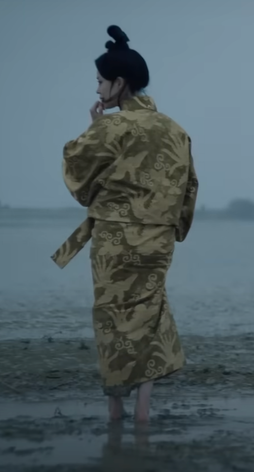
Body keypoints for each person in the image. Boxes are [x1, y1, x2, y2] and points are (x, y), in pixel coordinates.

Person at [51, 25, 199, 422]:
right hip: (158, 239)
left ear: (120, 83)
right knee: (149, 312)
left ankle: (116, 407)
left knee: (112, 315)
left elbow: (77, 170)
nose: (98, 90)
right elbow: (189, 186)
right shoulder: (175, 129)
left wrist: (94, 126)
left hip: (115, 238)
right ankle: (143, 410)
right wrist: (174, 227)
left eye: (100, 82)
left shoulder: (111, 127)